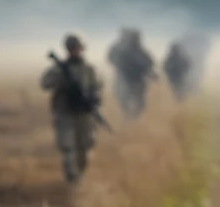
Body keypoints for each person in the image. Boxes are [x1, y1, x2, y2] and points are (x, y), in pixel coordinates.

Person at [41, 34, 104, 184]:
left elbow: (97, 87)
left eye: (77, 48)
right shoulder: (60, 68)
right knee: (68, 147)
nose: (75, 51)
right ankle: (73, 179)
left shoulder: (89, 69)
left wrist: (94, 99)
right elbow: (45, 84)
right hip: (65, 113)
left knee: (84, 149)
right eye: (72, 48)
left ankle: (79, 176)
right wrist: (60, 79)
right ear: (67, 50)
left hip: (84, 114)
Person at [107, 28, 155, 119]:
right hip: (124, 80)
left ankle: (133, 118)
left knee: (138, 104)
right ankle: (129, 118)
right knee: (125, 102)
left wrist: (147, 70)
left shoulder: (139, 50)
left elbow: (149, 62)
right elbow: (111, 58)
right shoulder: (119, 49)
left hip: (136, 81)